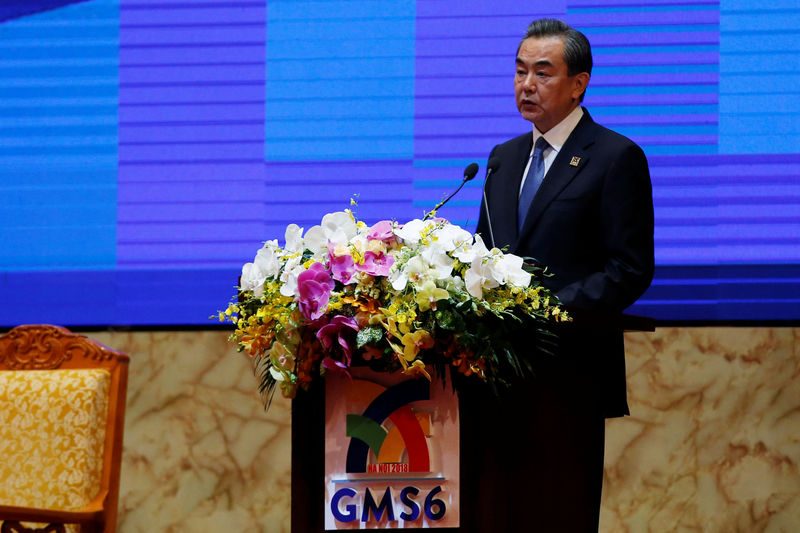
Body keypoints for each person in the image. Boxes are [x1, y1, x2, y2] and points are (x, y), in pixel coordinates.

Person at [459, 18, 655, 532]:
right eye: (520, 71)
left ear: (579, 83)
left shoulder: (615, 157)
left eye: (542, 73)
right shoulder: (502, 159)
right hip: (495, 379)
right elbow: (485, 255)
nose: (527, 84)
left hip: (569, 375)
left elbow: (629, 269)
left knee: (557, 512)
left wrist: (547, 310)